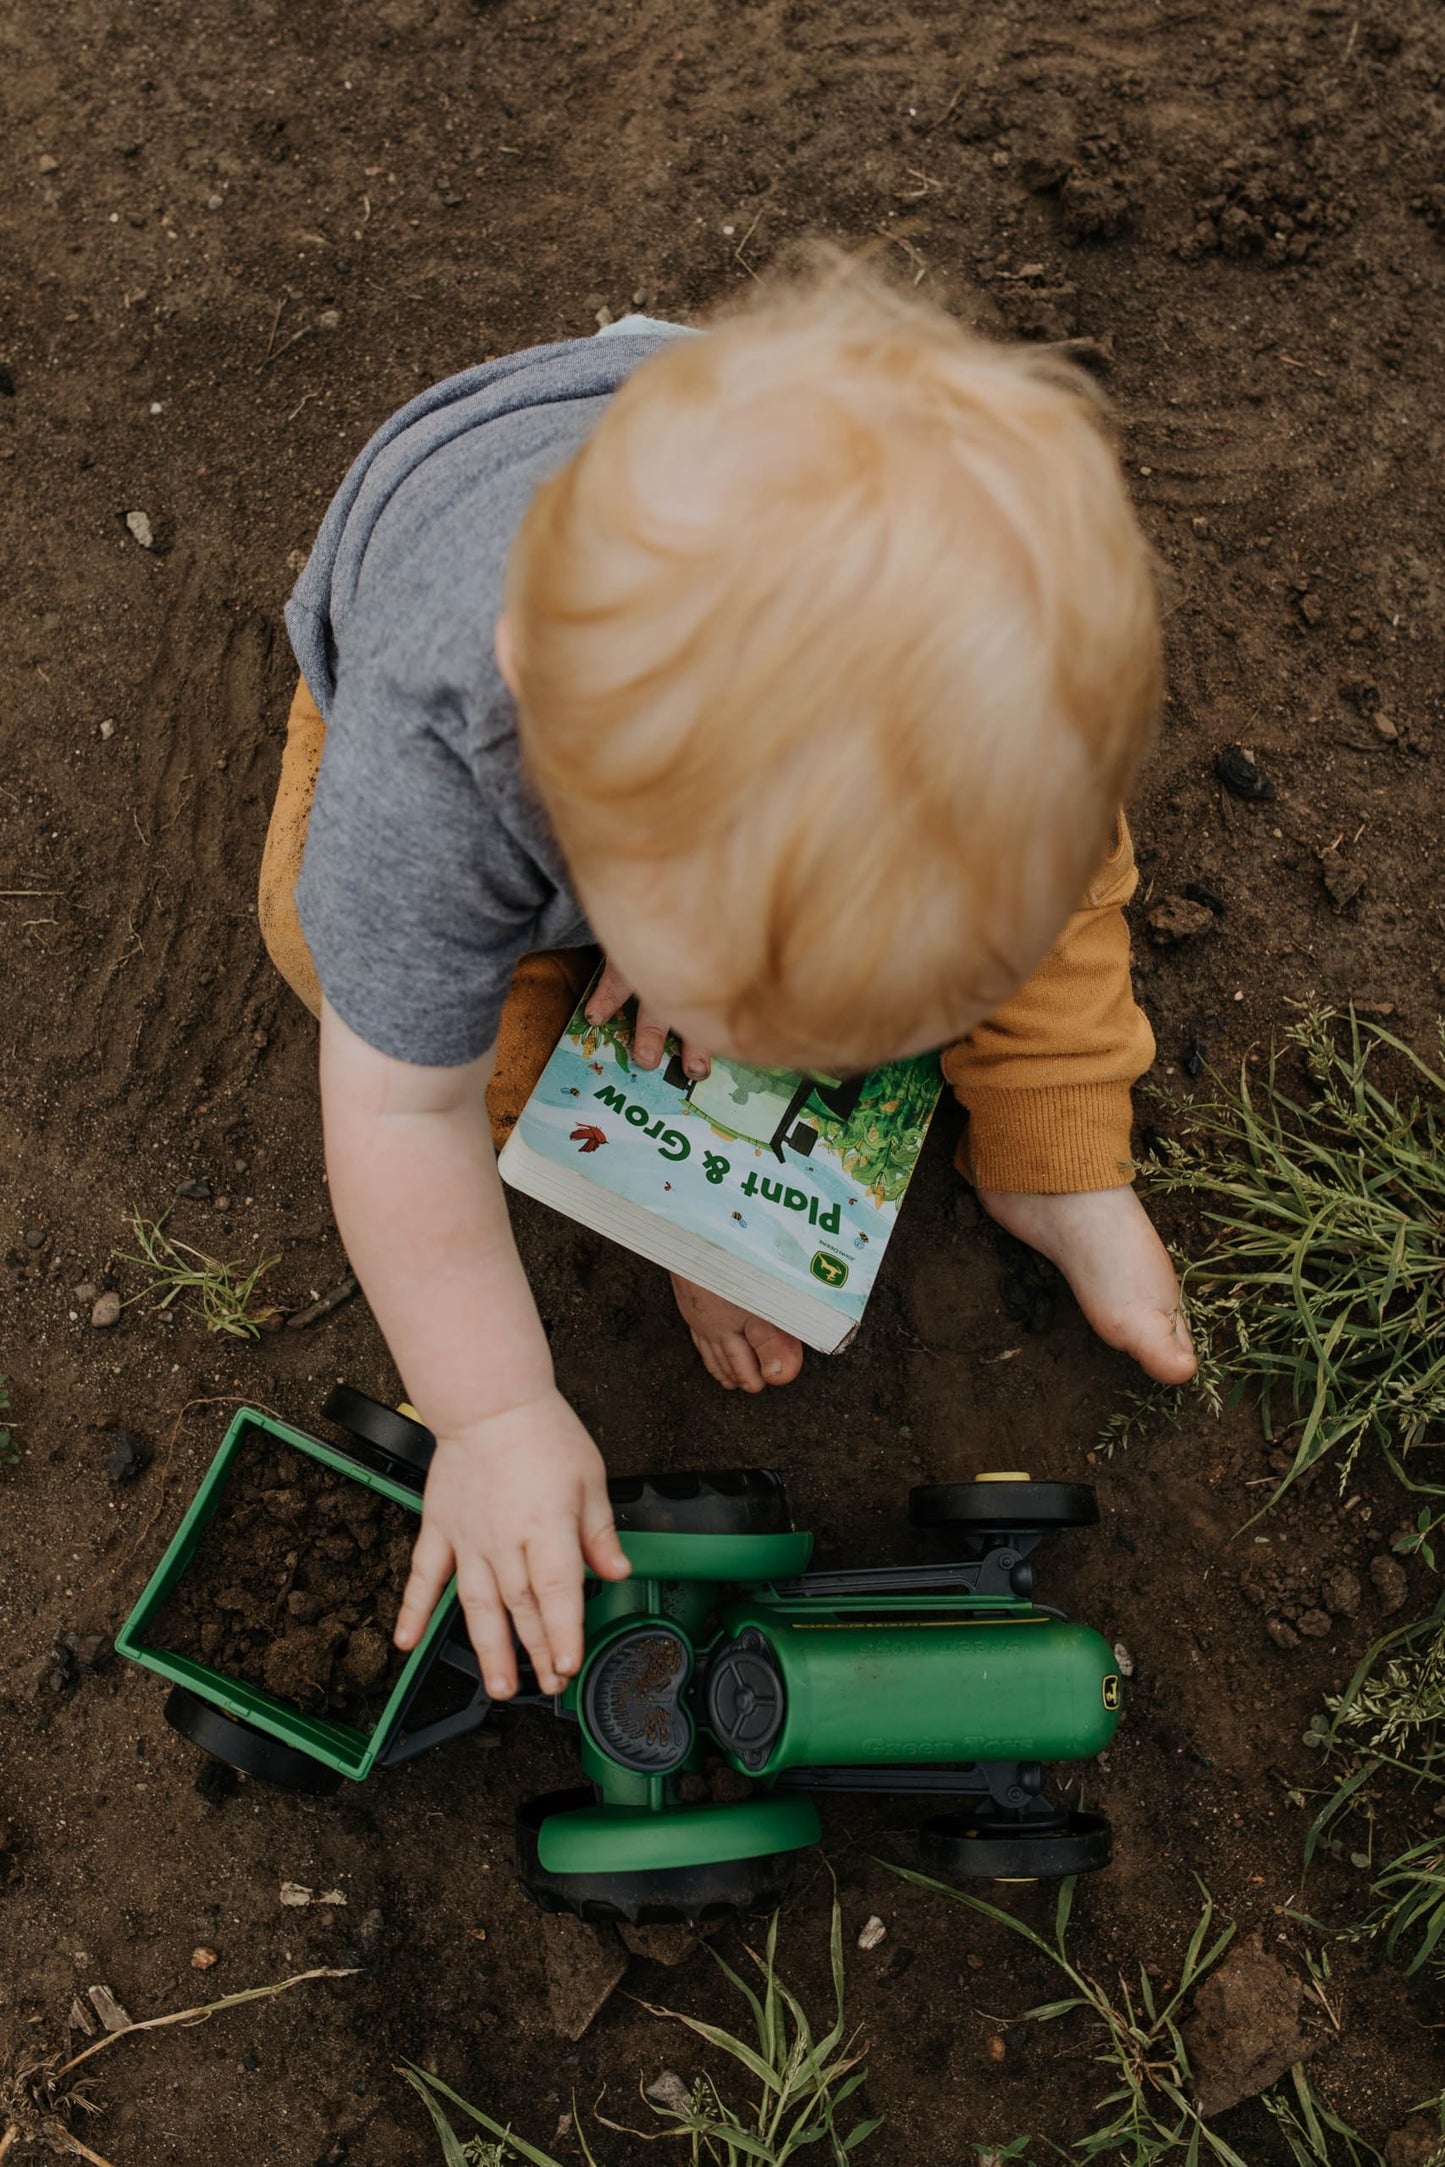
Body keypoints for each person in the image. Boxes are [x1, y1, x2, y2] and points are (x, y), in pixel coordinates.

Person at [258, 260, 1196, 1710]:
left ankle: (1052, 1152)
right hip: (428, 601)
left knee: (1051, 883)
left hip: (706, 489)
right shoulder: (431, 784)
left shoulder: (1007, 693)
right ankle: (652, 1176)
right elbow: (395, 1118)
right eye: (745, 1027)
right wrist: (495, 1415)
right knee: (345, 960)